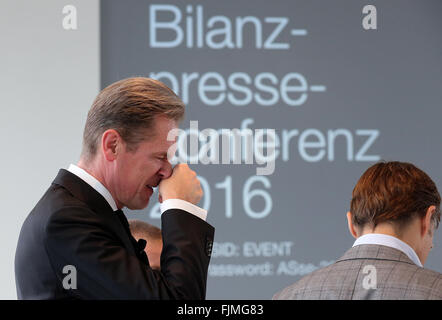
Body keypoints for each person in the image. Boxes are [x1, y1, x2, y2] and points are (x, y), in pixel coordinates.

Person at [15, 77, 215, 299]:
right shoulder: (67, 221)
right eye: (160, 157)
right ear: (112, 145)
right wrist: (181, 207)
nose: (167, 172)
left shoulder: (82, 214)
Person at [274, 161, 442, 300]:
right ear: (427, 220)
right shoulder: (436, 290)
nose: (430, 246)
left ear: (351, 225)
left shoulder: (287, 296)